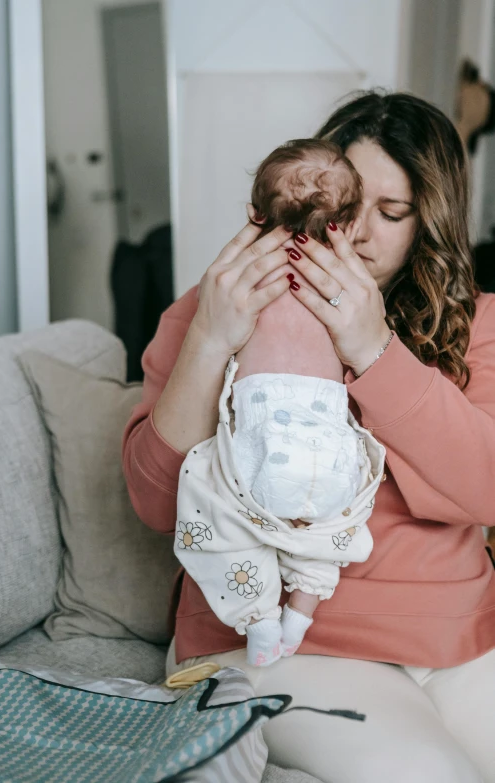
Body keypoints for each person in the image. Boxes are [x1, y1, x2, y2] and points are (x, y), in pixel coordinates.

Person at [123, 91, 495, 782]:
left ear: (428, 225)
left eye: (392, 214)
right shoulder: (221, 301)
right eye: (348, 204)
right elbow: (155, 502)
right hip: (272, 645)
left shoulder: (479, 323)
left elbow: (486, 486)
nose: (357, 235)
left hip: (456, 643)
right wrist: (210, 337)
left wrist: (375, 349)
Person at [175, 138, 386, 668]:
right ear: (351, 223)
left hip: (259, 437)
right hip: (329, 443)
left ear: (254, 215)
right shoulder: (354, 292)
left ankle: (260, 618)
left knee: (211, 496)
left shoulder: (240, 283)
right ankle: (301, 612)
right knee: (331, 531)